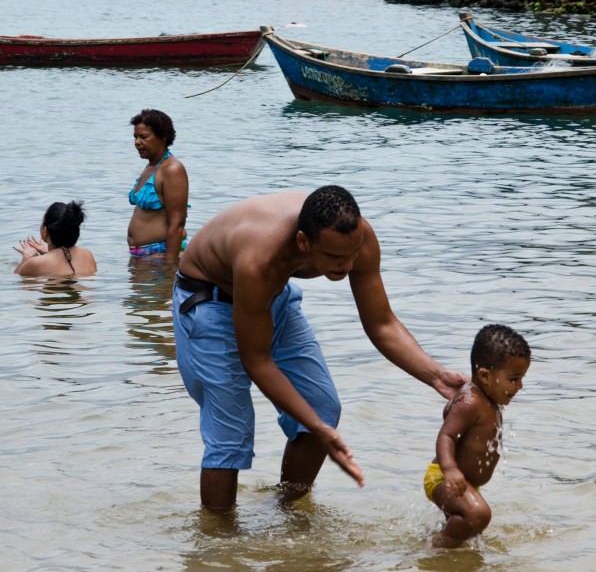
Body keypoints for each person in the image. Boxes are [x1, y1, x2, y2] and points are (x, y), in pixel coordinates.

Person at [172, 185, 467, 510]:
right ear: (303, 242)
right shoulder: (261, 259)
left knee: (323, 407)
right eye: (334, 257)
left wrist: (436, 376)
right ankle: (218, 544)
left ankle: (285, 512)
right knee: (231, 434)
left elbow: (382, 324)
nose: (346, 264)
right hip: (209, 302)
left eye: (352, 253)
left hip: (272, 297)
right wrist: (317, 428)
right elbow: (257, 361)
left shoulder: (358, 239)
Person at [424, 323, 531, 548]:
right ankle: (436, 551)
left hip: (465, 482)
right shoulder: (470, 402)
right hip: (444, 477)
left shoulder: (489, 398)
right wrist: (450, 470)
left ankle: (453, 557)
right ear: (484, 375)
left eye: (521, 378)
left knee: (469, 528)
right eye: (514, 379)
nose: (520, 386)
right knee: (478, 514)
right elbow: (447, 436)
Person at [128, 109, 189, 262]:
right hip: (145, 256)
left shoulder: (172, 170)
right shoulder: (151, 166)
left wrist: (169, 266)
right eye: (135, 137)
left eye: (143, 137)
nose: (137, 142)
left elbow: (177, 223)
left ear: (162, 137)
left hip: (161, 254)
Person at [14, 200, 97, 277]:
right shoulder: (87, 255)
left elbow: (15, 282)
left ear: (45, 230)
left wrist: (27, 258)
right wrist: (48, 253)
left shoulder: (34, 263)